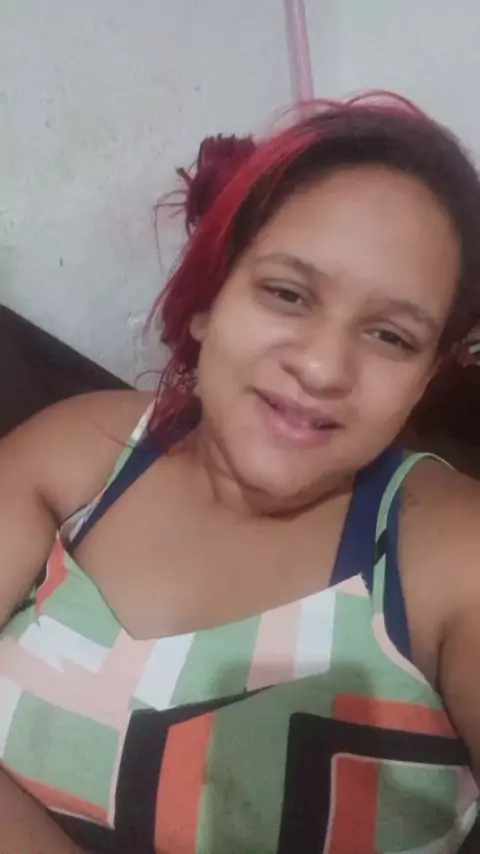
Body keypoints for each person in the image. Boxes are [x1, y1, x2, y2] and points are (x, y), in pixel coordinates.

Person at [1, 92, 480, 854]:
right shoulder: (83, 450)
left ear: (426, 377)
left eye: (391, 336)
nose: (322, 367)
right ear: (207, 300)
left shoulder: (449, 553)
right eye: (287, 294)